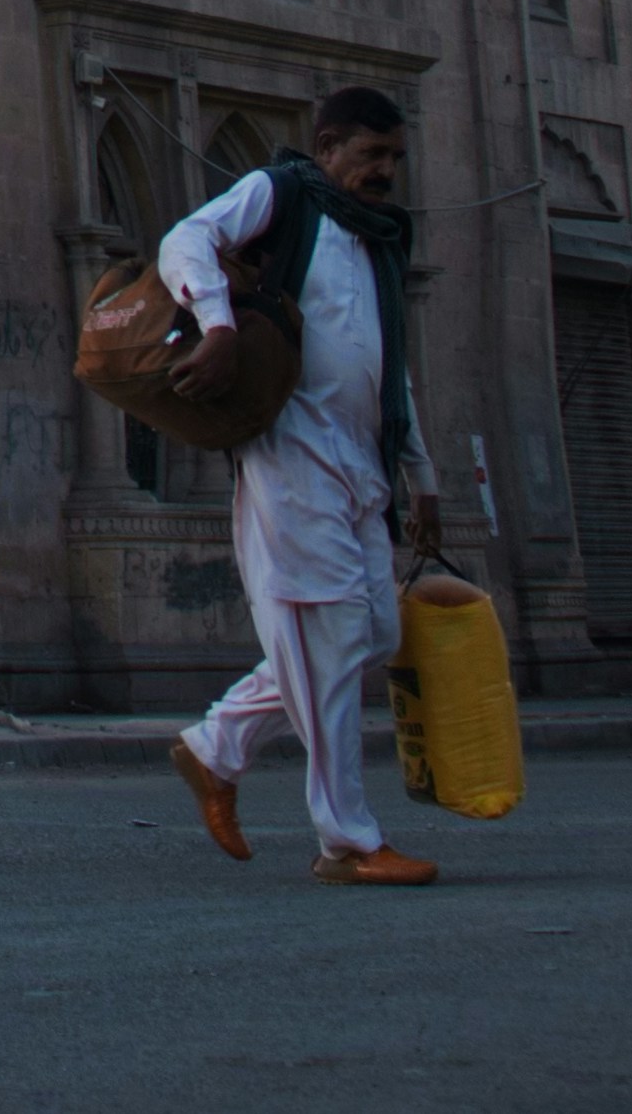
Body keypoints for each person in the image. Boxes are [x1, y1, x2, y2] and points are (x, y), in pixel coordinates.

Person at [161, 86, 443, 887]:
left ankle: (218, 746)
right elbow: (187, 239)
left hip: (362, 469)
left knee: (375, 636)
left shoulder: (379, 240)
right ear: (328, 148)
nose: (386, 172)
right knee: (334, 637)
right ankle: (348, 841)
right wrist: (216, 323)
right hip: (292, 458)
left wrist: (423, 479)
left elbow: (389, 370)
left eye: (394, 159)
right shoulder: (282, 193)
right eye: (371, 156)